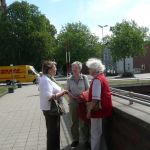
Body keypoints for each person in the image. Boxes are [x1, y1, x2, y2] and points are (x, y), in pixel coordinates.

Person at [39, 60, 68, 150]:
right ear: (49, 69)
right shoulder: (45, 80)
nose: (56, 69)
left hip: (52, 110)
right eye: (54, 68)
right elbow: (49, 96)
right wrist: (62, 92)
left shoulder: (49, 78)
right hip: (51, 110)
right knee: (53, 134)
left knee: (54, 133)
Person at [86, 58, 112, 150]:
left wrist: (89, 111)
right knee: (100, 134)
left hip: (98, 112)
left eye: (90, 68)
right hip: (103, 111)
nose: (88, 70)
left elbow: (95, 99)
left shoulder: (97, 80)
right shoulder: (102, 77)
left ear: (95, 69)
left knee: (95, 134)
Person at [67, 61, 90, 148]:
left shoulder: (84, 78)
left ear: (80, 69)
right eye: (73, 68)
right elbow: (67, 91)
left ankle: (86, 140)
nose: (74, 69)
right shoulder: (69, 79)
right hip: (73, 103)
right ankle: (75, 140)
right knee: (74, 122)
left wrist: (81, 97)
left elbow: (88, 90)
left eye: (75, 68)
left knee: (84, 122)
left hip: (83, 102)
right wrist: (73, 97)